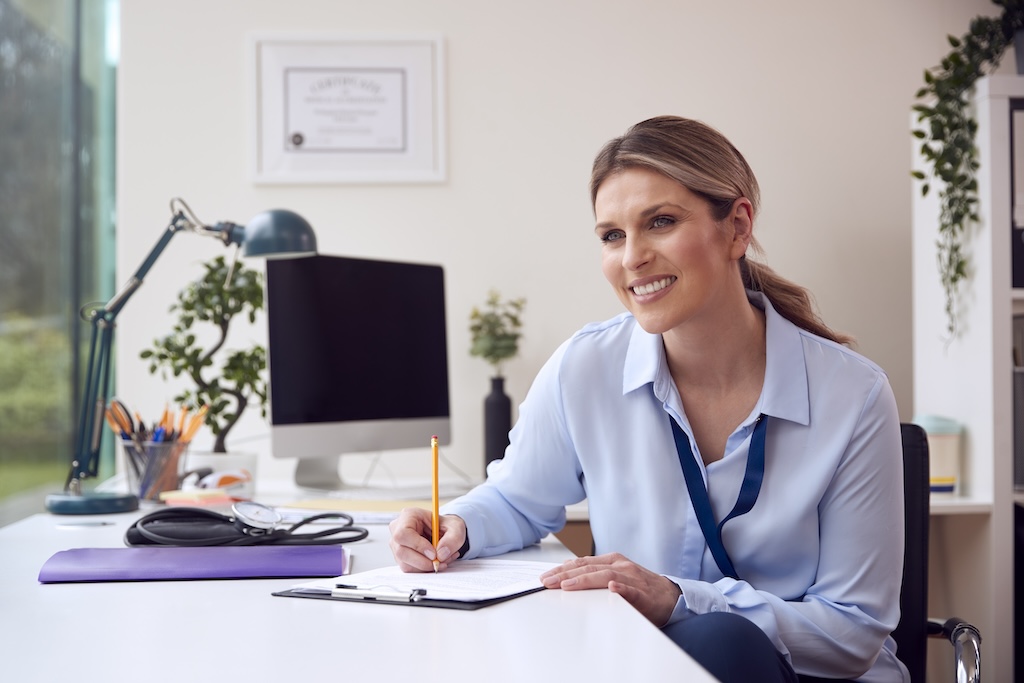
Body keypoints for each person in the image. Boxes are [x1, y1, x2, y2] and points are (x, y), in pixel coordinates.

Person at [388, 116, 908, 683]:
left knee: (722, 644)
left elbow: (852, 633)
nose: (632, 257)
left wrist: (680, 599)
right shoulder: (585, 367)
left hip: (812, 677)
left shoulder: (852, 396)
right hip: (647, 667)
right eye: (612, 235)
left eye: (660, 222)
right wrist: (454, 525)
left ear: (736, 227)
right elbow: (517, 500)